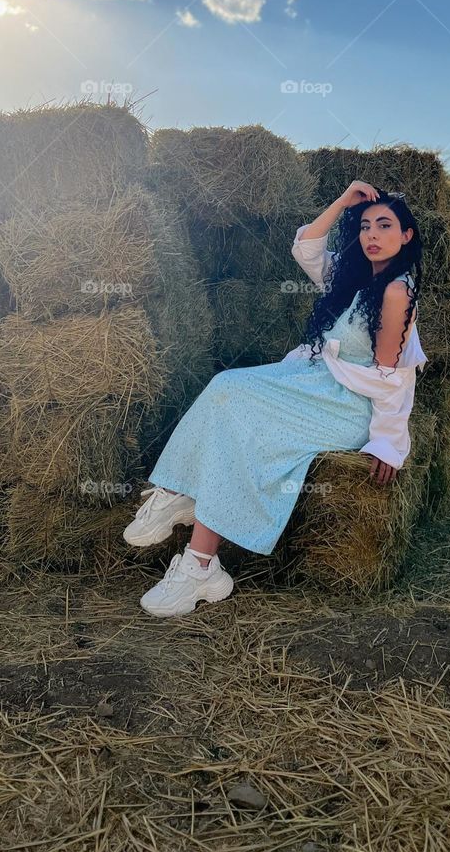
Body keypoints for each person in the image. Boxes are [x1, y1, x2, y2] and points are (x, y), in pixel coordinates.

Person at [122, 180, 427, 616]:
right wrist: (342, 202)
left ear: (406, 235)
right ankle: (186, 515)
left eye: (384, 225)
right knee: (228, 391)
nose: (372, 235)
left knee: (243, 409)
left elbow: (390, 379)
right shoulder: (354, 275)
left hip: (344, 404)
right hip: (311, 382)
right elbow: (306, 248)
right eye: (364, 227)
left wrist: (387, 442)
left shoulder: (397, 291)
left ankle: (195, 550)